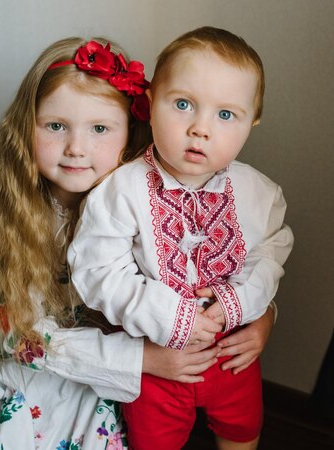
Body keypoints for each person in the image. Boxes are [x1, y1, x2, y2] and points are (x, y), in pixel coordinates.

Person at [0, 36, 275, 450]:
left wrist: (264, 314)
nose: (77, 148)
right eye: (56, 126)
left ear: (130, 131)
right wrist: (144, 360)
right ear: (27, 127)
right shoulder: (14, 220)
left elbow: (217, 266)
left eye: (99, 128)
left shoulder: (151, 200)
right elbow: (22, 338)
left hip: (134, 377)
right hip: (52, 368)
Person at [68, 27, 294, 450]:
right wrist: (171, 317)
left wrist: (238, 303)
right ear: (151, 105)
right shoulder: (122, 190)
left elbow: (271, 252)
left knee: (242, 428)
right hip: (156, 358)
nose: (200, 129)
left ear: (252, 123)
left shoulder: (260, 194)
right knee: (154, 441)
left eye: (225, 115)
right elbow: (98, 270)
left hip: (233, 350)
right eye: (183, 104)